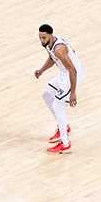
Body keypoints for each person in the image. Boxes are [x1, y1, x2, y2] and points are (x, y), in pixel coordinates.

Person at [33, 25, 82, 154]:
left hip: (72, 75)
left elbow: (73, 70)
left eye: (43, 37)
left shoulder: (59, 49)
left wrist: (73, 92)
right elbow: (52, 58)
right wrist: (42, 70)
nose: (41, 40)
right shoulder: (49, 44)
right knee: (47, 95)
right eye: (40, 37)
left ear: (50, 35)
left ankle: (65, 144)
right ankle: (64, 128)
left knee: (57, 104)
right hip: (64, 73)